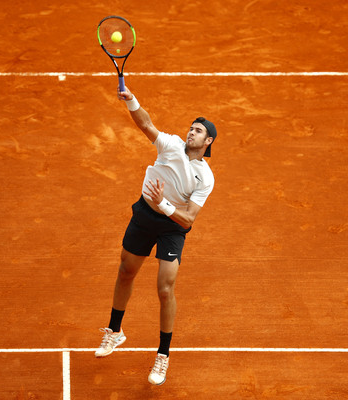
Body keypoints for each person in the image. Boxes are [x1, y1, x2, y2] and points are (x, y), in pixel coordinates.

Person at [95, 85, 217, 386]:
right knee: (126, 271)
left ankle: (162, 356)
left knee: (165, 288)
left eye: (198, 131)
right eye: (191, 128)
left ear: (208, 140)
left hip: (171, 228)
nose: (191, 133)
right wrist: (132, 100)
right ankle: (115, 332)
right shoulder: (171, 145)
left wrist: (164, 203)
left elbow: (187, 219)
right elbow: (146, 124)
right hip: (144, 217)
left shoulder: (206, 177)